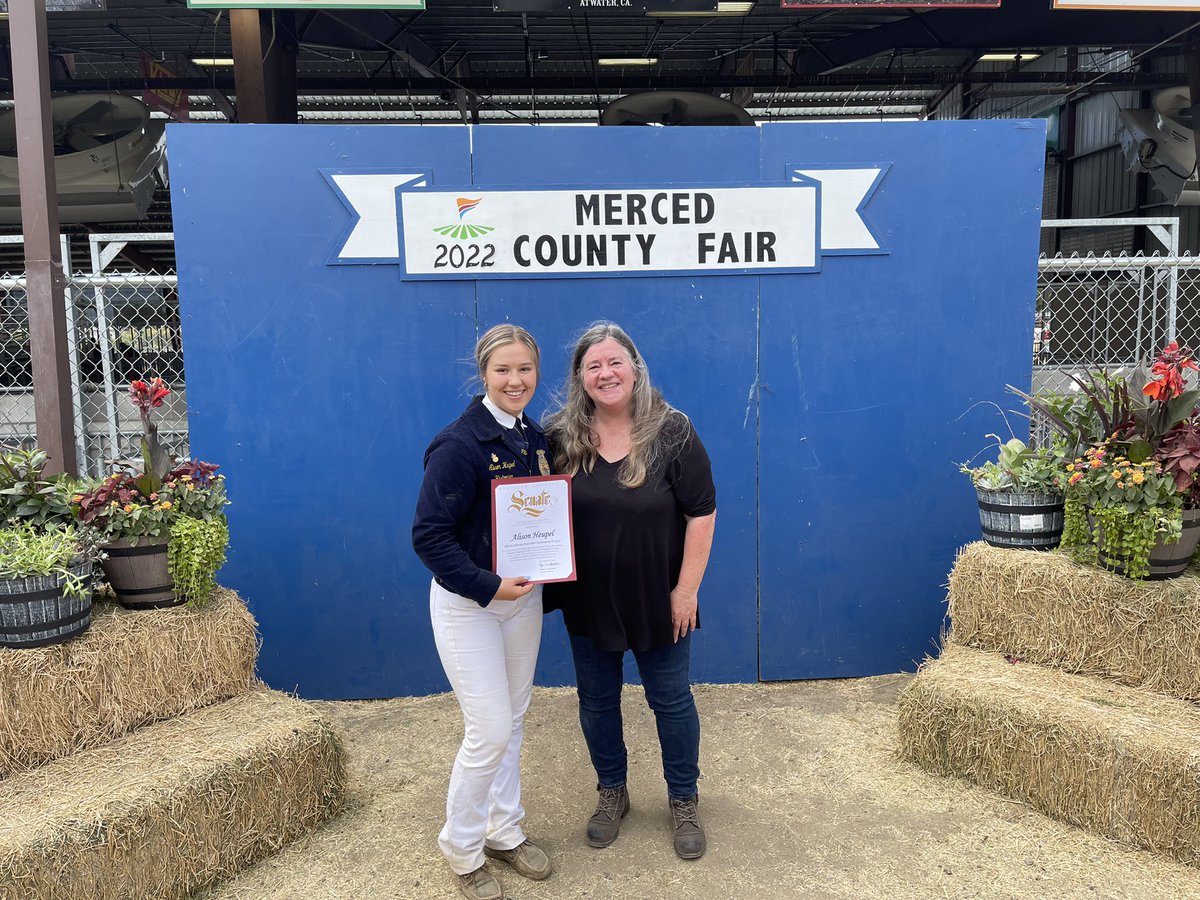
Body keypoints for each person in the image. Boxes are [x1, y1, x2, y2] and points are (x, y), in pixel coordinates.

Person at [544, 321, 717, 860]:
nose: (606, 373)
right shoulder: (560, 437)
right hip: (588, 599)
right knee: (597, 701)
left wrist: (686, 590)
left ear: (635, 368)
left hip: (659, 598)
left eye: (615, 361)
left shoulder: (673, 431)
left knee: (671, 701)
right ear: (580, 377)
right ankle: (612, 791)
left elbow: (702, 513)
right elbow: (530, 507)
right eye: (593, 365)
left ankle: (683, 798)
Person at [412, 324, 554, 900]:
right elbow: (429, 536)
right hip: (468, 605)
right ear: (484, 374)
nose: (515, 381)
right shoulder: (458, 445)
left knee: (513, 722)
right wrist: (488, 585)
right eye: (503, 370)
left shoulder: (536, 439)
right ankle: (463, 848)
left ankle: (504, 830)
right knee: (489, 728)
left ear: (536, 372)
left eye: (525, 369)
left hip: (524, 604)